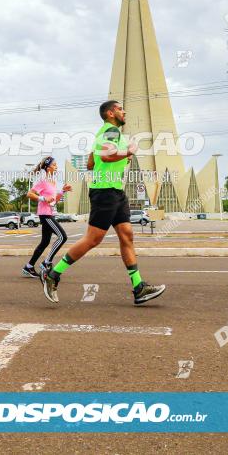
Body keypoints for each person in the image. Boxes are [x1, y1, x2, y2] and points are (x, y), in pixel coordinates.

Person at [41, 100, 165, 305]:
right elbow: (107, 157)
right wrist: (129, 151)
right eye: (119, 108)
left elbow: (91, 163)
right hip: (105, 192)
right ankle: (53, 275)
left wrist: (117, 157)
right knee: (93, 240)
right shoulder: (112, 132)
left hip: (116, 191)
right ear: (110, 113)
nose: (124, 111)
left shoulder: (103, 134)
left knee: (127, 236)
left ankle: (139, 288)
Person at [21, 156, 71, 278]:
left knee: (45, 242)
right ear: (48, 168)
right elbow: (29, 194)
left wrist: (62, 191)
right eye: (54, 165)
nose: (56, 167)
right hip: (45, 214)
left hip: (50, 212)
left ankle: (29, 267)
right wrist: (43, 198)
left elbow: (53, 201)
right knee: (62, 237)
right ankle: (46, 262)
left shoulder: (53, 182)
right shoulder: (43, 181)